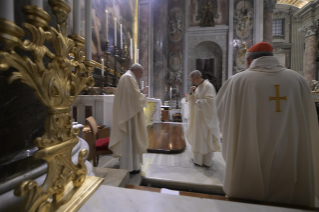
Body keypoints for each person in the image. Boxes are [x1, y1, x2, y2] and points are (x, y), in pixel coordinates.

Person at [216, 42, 319, 207]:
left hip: (249, 156)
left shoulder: (238, 81)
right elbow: (308, 122)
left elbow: (222, 114)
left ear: (249, 61)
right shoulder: (298, 80)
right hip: (290, 157)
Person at [109, 64, 148, 174]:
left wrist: (140, 96)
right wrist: (143, 97)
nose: (140, 76)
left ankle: (132, 164)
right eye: (140, 73)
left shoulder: (127, 77)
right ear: (135, 70)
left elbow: (132, 96)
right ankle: (129, 166)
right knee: (130, 139)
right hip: (128, 117)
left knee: (131, 140)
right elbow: (134, 97)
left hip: (128, 114)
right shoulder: (128, 78)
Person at [186, 70, 221, 167]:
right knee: (198, 138)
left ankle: (206, 161)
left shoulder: (208, 86)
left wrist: (199, 102)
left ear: (198, 77)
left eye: (193, 80)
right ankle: (198, 160)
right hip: (198, 119)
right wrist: (191, 93)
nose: (192, 82)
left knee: (205, 139)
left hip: (205, 120)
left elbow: (211, 102)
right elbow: (194, 101)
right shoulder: (198, 88)